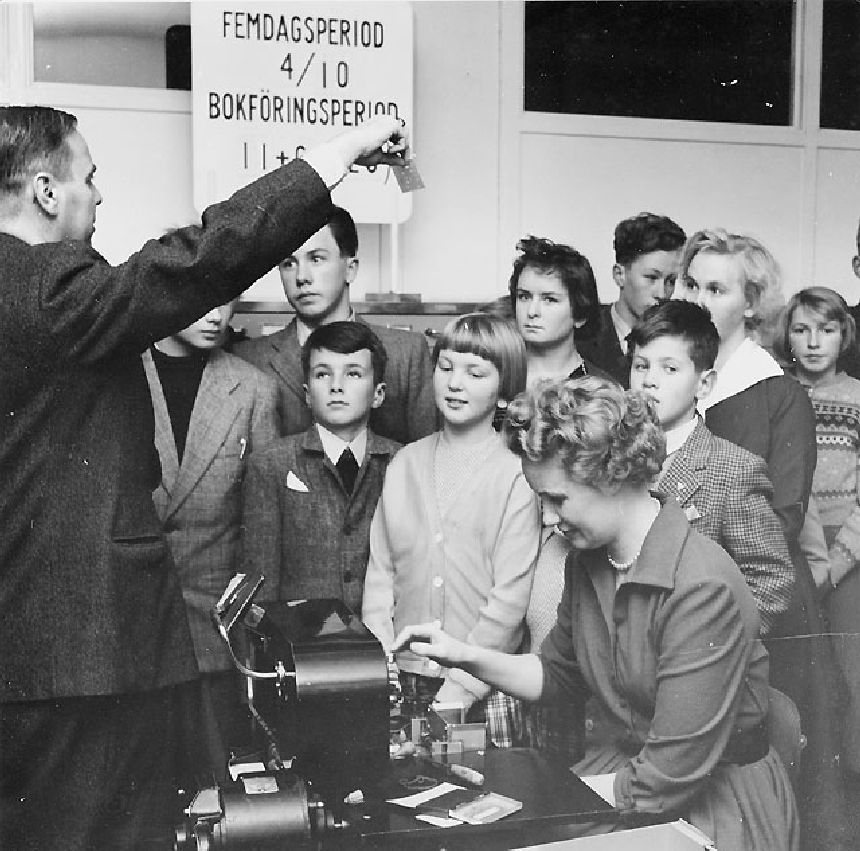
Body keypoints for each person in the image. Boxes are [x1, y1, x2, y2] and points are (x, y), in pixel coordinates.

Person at [0, 104, 408, 851]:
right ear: (47, 191)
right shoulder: (39, 285)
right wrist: (338, 154)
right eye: (89, 177)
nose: (100, 195)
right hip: (76, 662)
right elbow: (197, 260)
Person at [395, 376, 799, 850]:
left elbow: (664, 778)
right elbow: (555, 676)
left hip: (709, 806)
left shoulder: (702, 588)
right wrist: (461, 655)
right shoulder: (588, 563)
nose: (548, 519)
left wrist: (533, 800)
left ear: (612, 477)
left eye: (557, 499)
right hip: (624, 782)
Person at [674, 229, 847, 849]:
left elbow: (782, 514)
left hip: (759, 599)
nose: (697, 299)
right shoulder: (667, 375)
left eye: (716, 289)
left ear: (750, 304)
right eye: (690, 284)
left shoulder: (777, 392)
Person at [362, 313, 540, 734]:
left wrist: (459, 690)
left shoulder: (517, 474)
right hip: (401, 680)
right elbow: (381, 577)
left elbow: (509, 600)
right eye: (445, 367)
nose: (455, 383)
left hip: (482, 689)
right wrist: (382, 665)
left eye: (475, 373)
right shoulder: (404, 464)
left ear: (504, 391)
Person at [143, 299, 279, 781]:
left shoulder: (253, 389)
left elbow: (261, 525)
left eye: (227, 299)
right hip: (131, 628)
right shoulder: (116, 374)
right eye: (202, 297)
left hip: (215, 635)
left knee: (218, 788)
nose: (216, 314)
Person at [628, 300, 793, 635]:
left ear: (704, 384)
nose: (649, 381)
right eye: (641, 366)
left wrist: (709, 644)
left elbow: (771, 582)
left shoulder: (735, 471)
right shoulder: (612, 458)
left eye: (669, 369)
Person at [233, 206, 437, 444]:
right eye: (288, 263)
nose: (302, 277)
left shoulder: (406, 354)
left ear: (350, 269)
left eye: (316, 259)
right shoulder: (249, 359)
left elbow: (425, 456)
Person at [242, 321, 399, 613]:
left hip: (384, 632)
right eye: (322, 374)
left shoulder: (401, 462)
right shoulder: (271, 464)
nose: (336, 386)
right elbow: (261, 578)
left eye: (353, 373)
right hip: (301, 635)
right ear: (307, 393)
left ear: (378, 394)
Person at [776, 286, 860, 777]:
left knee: (850, 664)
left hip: (847, 546)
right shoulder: (779, 394)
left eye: (826, 330)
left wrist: (840, 559)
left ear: (843, 334)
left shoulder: (856, 396)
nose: (812, 342)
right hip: (791, 545)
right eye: (801, 330)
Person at [579, 212, 686, 387]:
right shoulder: (582, 333)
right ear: (619, 275)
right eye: (651, 277)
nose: (662, 293)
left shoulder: (680, 340)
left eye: (671, 281)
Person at [508, 235, 605, 387]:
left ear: (580, 314)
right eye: (524, 297)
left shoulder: (601, 389)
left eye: (549, 300)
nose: (532, 312)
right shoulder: (496, 377)